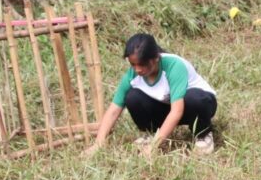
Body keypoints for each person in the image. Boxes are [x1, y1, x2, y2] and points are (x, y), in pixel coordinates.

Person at [84, 33, 218, 156]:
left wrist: (153, 147)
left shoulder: (174, 66)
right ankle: (152, 134)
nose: (137, 69)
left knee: (193, 99)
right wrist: (98, 144)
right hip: (168, 106)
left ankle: (203, 134)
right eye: (133, 64)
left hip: (198, 105)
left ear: (155, 58)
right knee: (133, 97)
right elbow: (113, 110)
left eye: (142, 64)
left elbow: (177, 112)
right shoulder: (132, 75)